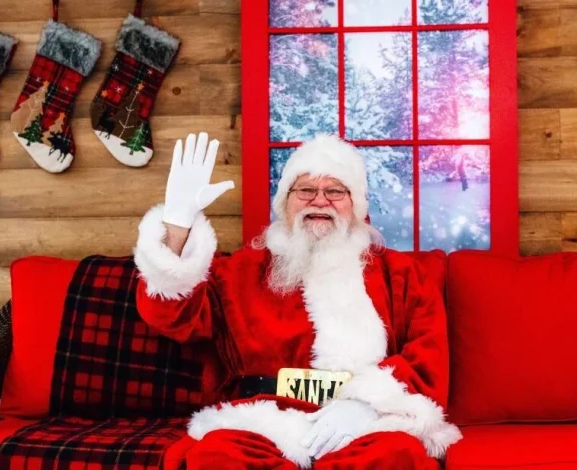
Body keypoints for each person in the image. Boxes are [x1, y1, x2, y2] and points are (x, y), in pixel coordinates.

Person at [133, 132, 461, 469]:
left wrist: (368, 405)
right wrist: (177, 225)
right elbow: (170, 314)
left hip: (367, 423)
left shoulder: (402, 274)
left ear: (357, 206)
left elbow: (428, 356)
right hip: (262, 421)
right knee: (218, 458)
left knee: (394, 456)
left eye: (335, 191)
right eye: (305, 190)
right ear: (285, 204)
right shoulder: (240, 272)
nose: (320, 201)